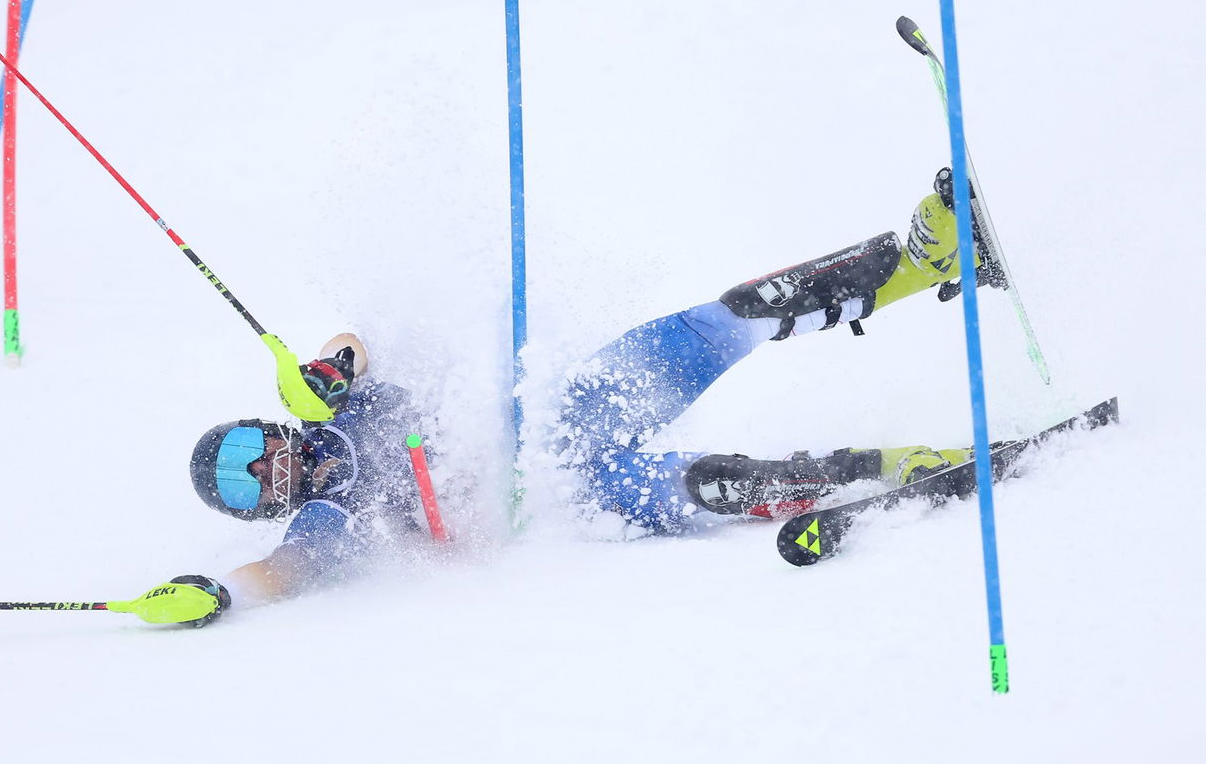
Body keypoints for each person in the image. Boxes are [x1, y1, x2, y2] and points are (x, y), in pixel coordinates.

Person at [132, 169, 1001, 628]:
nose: (270, 465)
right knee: (717, 484)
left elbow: (352, 343)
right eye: (249, 483)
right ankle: (905, 468)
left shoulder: (336, 407)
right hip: (555, 499)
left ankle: (920, 258)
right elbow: (277, 575)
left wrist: (330, 367)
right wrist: (219, 592)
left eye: (254, 444)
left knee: (718, 324)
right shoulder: (326, 521)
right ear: (263, 505)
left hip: (552, 420)